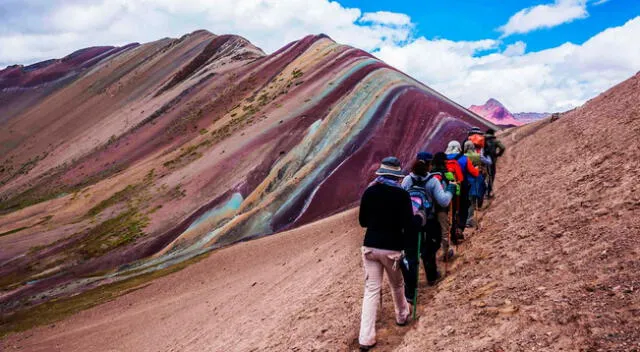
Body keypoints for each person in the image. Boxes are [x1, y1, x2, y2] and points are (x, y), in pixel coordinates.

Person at [358, 156, 413, 350]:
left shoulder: (370, 191)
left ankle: (366, 337)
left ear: (381, 173)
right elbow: (408, 224)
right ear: (397, 175)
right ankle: (401, 315)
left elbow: (363, 222)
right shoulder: (402, 195)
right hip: (392, 248)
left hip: (370, 247)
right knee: (397, 284)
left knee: (371, 289)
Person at [400, 152, 455, 296]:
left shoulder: (407, 179)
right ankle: (432, 276)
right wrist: (450, 190)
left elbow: (402, 198)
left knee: (411, 253)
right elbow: (443, 201)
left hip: (410, 221)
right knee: (430, 248)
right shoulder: (432, 181)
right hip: (429, 220)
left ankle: (411, 287)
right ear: (429, 164)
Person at [445, 141, 479, 243]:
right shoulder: (464, 159)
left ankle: (449, 231)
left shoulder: (443, 159)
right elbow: (474, 173)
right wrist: (477, 169)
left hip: (446, 189)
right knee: (463, 208)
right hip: (462, 188)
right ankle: (459, 228)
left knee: (449, 210)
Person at [430, 152, 456, 261]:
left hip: (429, 208)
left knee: (432, 231)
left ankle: (430, 256)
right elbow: (455, 188)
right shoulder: (447, 174)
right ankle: (446, 253)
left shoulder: (429, 174)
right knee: (444, 230)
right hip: (442, 207)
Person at [463, 141, 490, 228]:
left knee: (466, 201)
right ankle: (469, 220)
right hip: (476, 180)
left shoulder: (462, 157)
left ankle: (464, 220)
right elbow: (488, 162)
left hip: (464, 181)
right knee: (472, 201)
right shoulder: (478, 156)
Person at [484, 129, 506, 198]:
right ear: (493, 134)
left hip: (483, 160)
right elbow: (502, 147)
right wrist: (498, 154)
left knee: (484, 176)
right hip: (492, 160)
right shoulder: (495, 141)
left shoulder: (482, 140)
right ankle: (488, 192)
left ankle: (482, 192)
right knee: (491, 175)